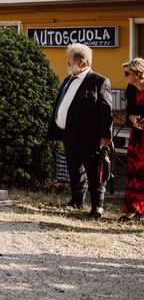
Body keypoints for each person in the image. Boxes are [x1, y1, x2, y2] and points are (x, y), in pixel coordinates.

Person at [47, 43, 113, 218]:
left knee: (94, 172)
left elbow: (106, 112)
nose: (67, 64)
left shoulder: (99, 81)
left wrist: (106, 136)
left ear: (81, 61)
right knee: (74, 169)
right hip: (69, 134)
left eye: (69, 60)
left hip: (90, 137)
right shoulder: (68, 80)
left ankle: (97, 206)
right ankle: (77, 200)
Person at [119, 58, 144, 222]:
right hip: (137, 137)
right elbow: (128, 114)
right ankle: (131, 210)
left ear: (136, 74)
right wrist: (132, 118)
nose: (125, 76)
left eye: (127, 73)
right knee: (133, 173)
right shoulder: (130, 89)